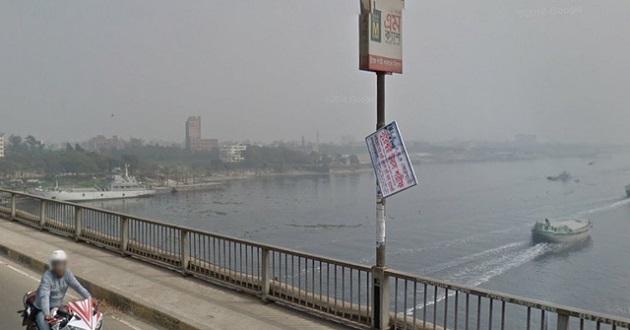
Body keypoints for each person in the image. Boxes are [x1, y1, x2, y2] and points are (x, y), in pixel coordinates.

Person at [33, 250, 92, 330]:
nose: (59, 267)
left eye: (61, 264)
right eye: (57, 264)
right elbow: (45, 296)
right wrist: (46, 313)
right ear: (53, 265)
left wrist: (89, 298)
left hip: (57, 308)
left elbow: (78, 287)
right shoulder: (47, 277)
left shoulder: (67, 273)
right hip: (42, 309)